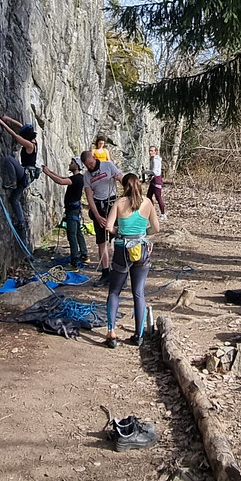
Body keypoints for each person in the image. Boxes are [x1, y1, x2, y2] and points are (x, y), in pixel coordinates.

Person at [103, 172, 161, 347]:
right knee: (138, 292)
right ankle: (139, 334)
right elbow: (156, 228)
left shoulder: (119, 203)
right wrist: (143, 233)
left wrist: (120, 232)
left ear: (124, 186)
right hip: (142, 249)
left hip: (123, 249)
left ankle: (111, 332)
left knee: (114, 291)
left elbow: (108, 226)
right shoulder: (147, 202)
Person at [83, 147, 123, 274]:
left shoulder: (108, 165)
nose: (90, 167)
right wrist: (97, 216)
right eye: (87, 165)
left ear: (94, 158)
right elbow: (89, 196)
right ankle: (105, 270)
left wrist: (119, 178)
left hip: (111, 203)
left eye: (91, 163)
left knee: (116, 238)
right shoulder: (86, 176)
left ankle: (118, 268)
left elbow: (122, 179)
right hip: (98, 205)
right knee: (101, 241)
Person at [41, 158, 88, 266]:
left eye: (72, 163)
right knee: (77, 232)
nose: (69, 164)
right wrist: (49, 171)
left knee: (72, 234)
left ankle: (75, 260)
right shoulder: (78, 178)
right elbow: (62, 177)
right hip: (74, 209)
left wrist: (47, 173)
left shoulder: (77, 179)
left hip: (72, 210)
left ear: (77, 165)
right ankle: (84, 254)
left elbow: (61, 181)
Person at [147, 146, 165, 214]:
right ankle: (151, 212)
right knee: (149, 196)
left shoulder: (155, 160)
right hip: (153, 181)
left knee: (158, 198)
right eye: (150, 151)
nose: (150, 152)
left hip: (157, 181)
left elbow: (154, 172)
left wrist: (145, 172)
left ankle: (163, 214)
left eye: (152, 151)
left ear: (155, 152)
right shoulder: (152, 159)